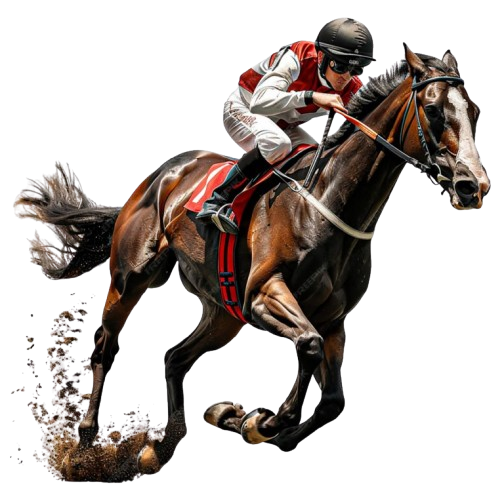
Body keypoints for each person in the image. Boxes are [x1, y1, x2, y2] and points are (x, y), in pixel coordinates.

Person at [197, 17, 376, 235]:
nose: (346, 77)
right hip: (243, 108)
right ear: (321, 57)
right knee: (277, 143)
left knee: (318, 159)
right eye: (340, 66)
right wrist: (312, 97)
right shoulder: (297, 57)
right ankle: (218, 200)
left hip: (284, 126)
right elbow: (259, 102)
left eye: (356, 69)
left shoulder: (351, 88)